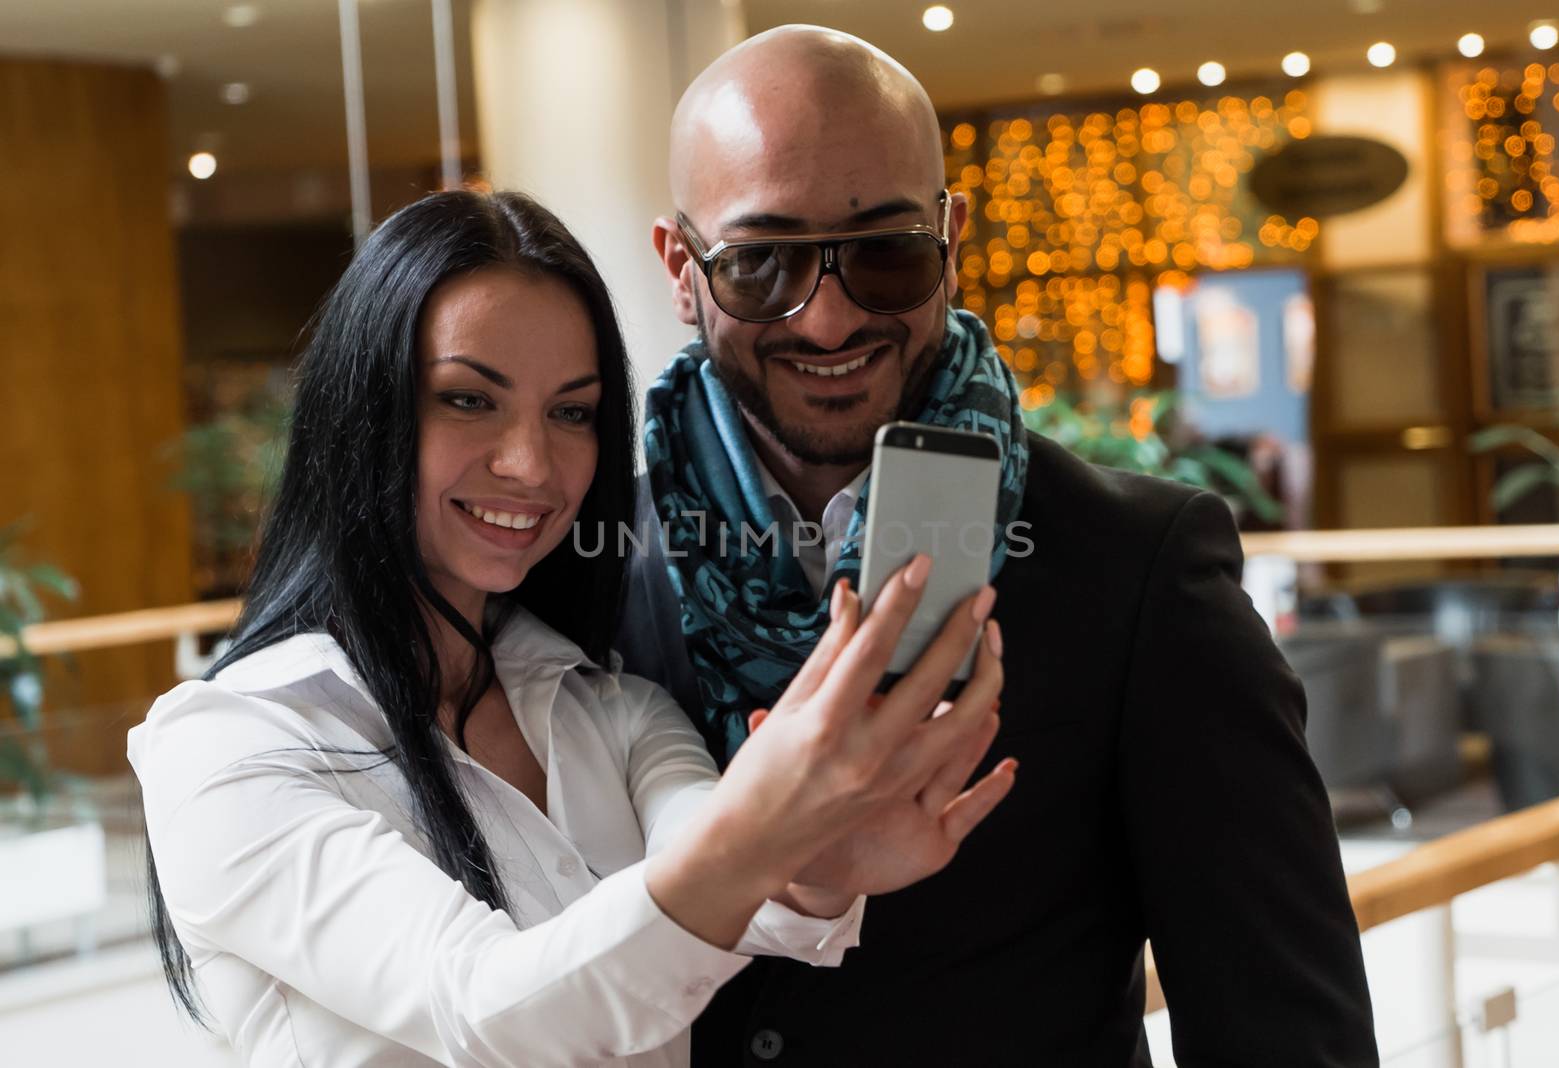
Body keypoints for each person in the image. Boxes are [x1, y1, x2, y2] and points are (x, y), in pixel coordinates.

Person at [618, 25, 1380, 1066]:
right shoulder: (582, 567)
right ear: (679, 265)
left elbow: (1285, 1034)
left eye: (885, 253)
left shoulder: (1138, 568)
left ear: (950, 236)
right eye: (760, 263)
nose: (829, 317)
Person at [130, 190, 1016, 1067]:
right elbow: (489, 1008)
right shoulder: (231, 742)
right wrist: (765, 827)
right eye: (468, 400)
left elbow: (734, 894)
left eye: (572, 412)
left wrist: (821, 858)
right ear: (362, 407)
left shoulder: (614, 709)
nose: (531, 466)